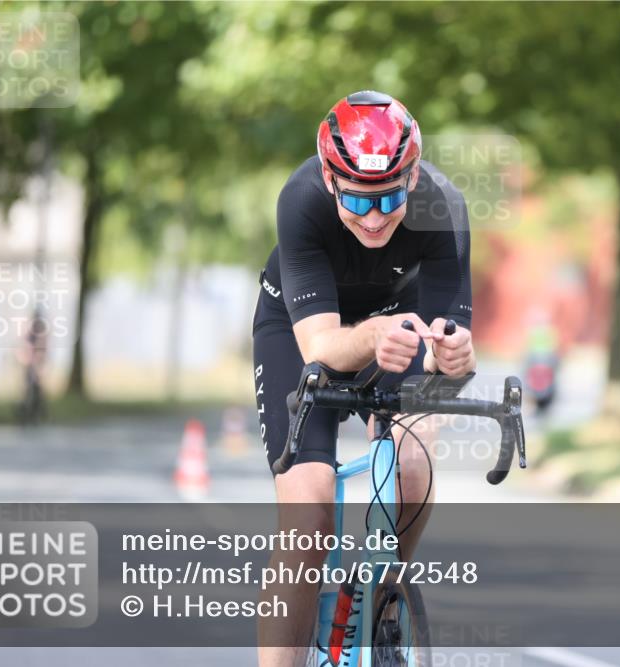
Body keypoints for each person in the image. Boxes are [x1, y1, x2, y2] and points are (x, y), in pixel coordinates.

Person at [252, 91, 475, 665]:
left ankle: (384, 597)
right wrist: (374, 333)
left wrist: (454, 358)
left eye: (390, 197)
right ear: (330, 180)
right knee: (308, 522)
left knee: (414, 463)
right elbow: (320, 349)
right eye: (356, 199)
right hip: (302, 327)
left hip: (399, 327)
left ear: (413, 176)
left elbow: (445, 354)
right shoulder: (301, 198)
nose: (373, 218)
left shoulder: (443, 206)